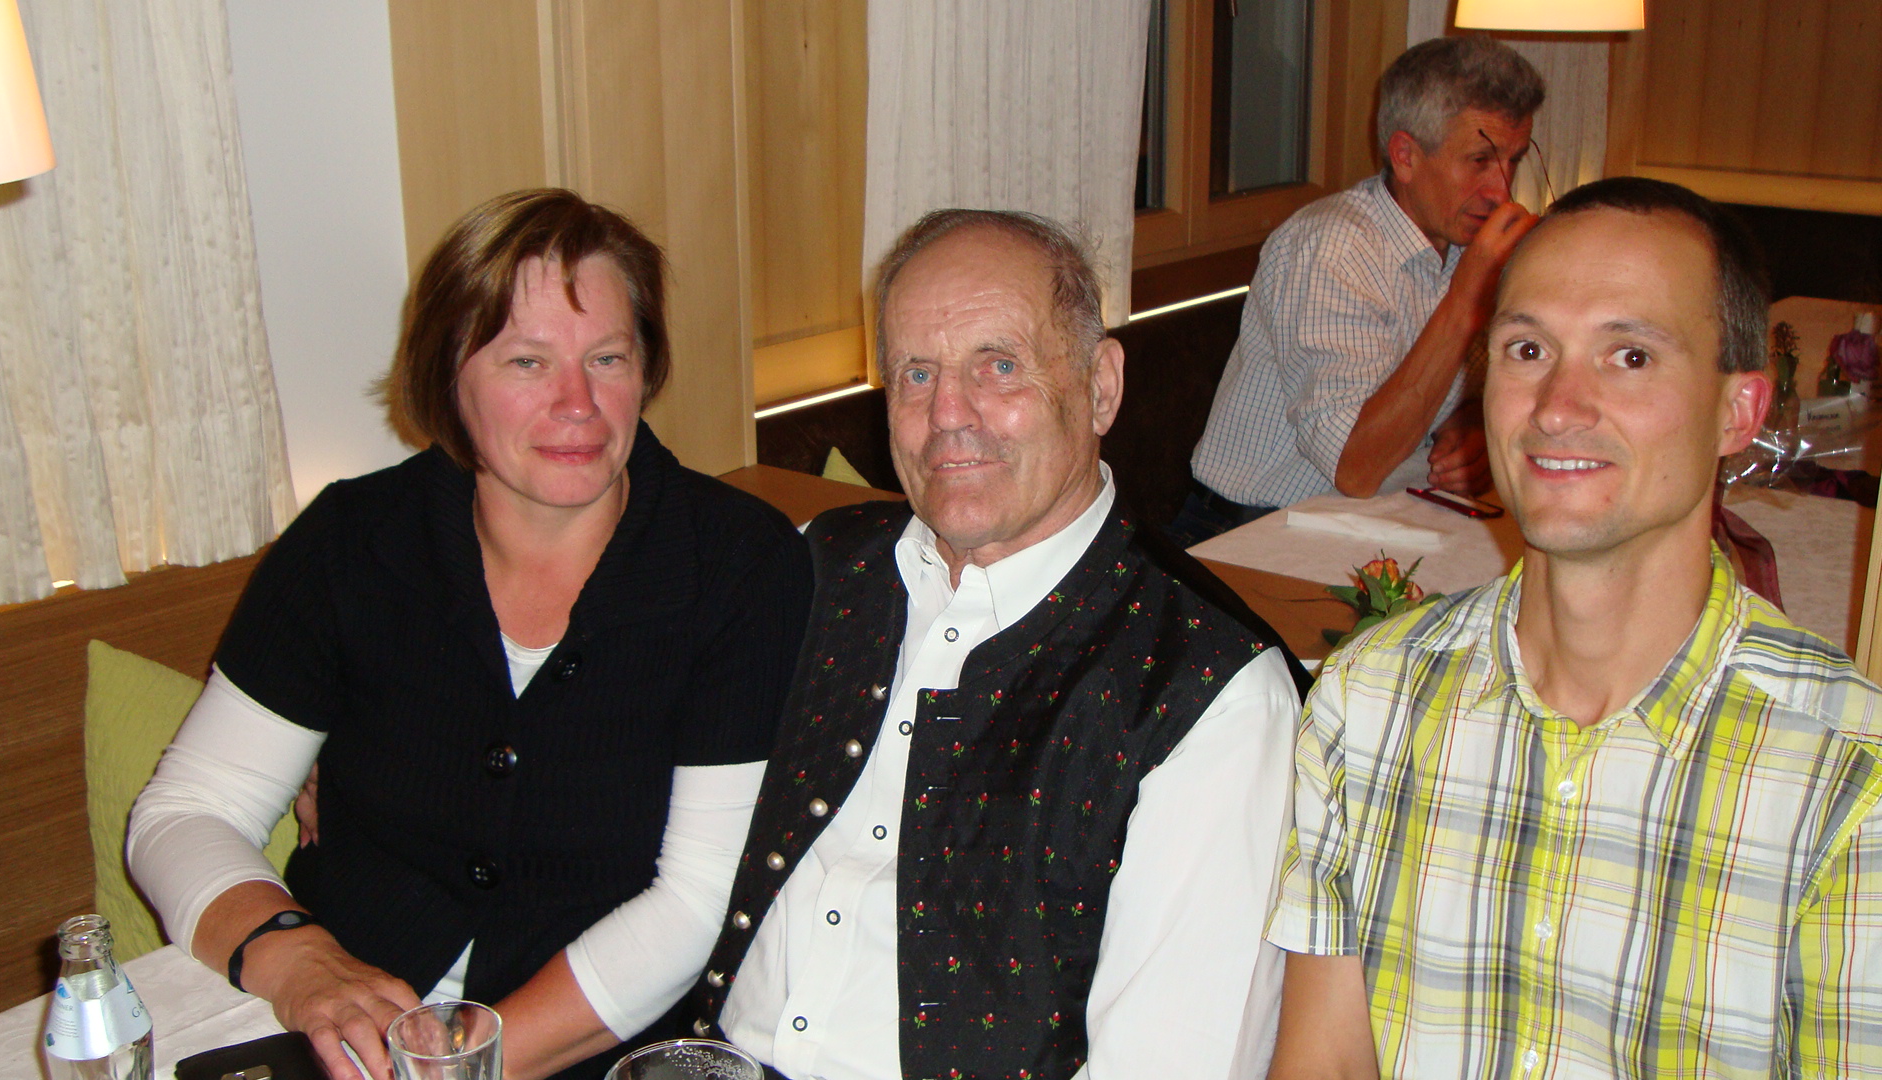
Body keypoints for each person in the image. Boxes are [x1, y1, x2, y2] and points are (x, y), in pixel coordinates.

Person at [128, 189, 814, 1080]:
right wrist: (300, 961)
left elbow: (696, 901)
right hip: (336, 1038)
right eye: (528, 362)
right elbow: (188, 809)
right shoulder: (353, 541)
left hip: (594, 1050)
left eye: (607, 358)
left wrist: (458, 1068)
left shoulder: (738, 565)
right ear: (448, 375)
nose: (578, 404)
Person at [1266, 177, 1882, 1078]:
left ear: (1738, 412)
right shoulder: (1368, 702)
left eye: (1630, 356)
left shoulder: (1846, 773)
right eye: (1527, 349)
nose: (1557, 406)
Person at [688, 209, 1308, 1080]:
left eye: (999, 365)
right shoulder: (817, 570)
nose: (948, 414)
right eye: (916, 374)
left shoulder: (1211, 696)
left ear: (1101, 386)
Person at [1176, 36, 1545, 545]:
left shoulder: (1469, 243)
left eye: (1514, 160)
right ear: (1405, 156)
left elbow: (1494, 383)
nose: (1501, 191)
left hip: (1390, 518)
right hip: (1254, 530)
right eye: (1480, 160)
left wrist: (1469, 425)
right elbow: (1356, 468)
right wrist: (1465, 302)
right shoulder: (1333, 248)